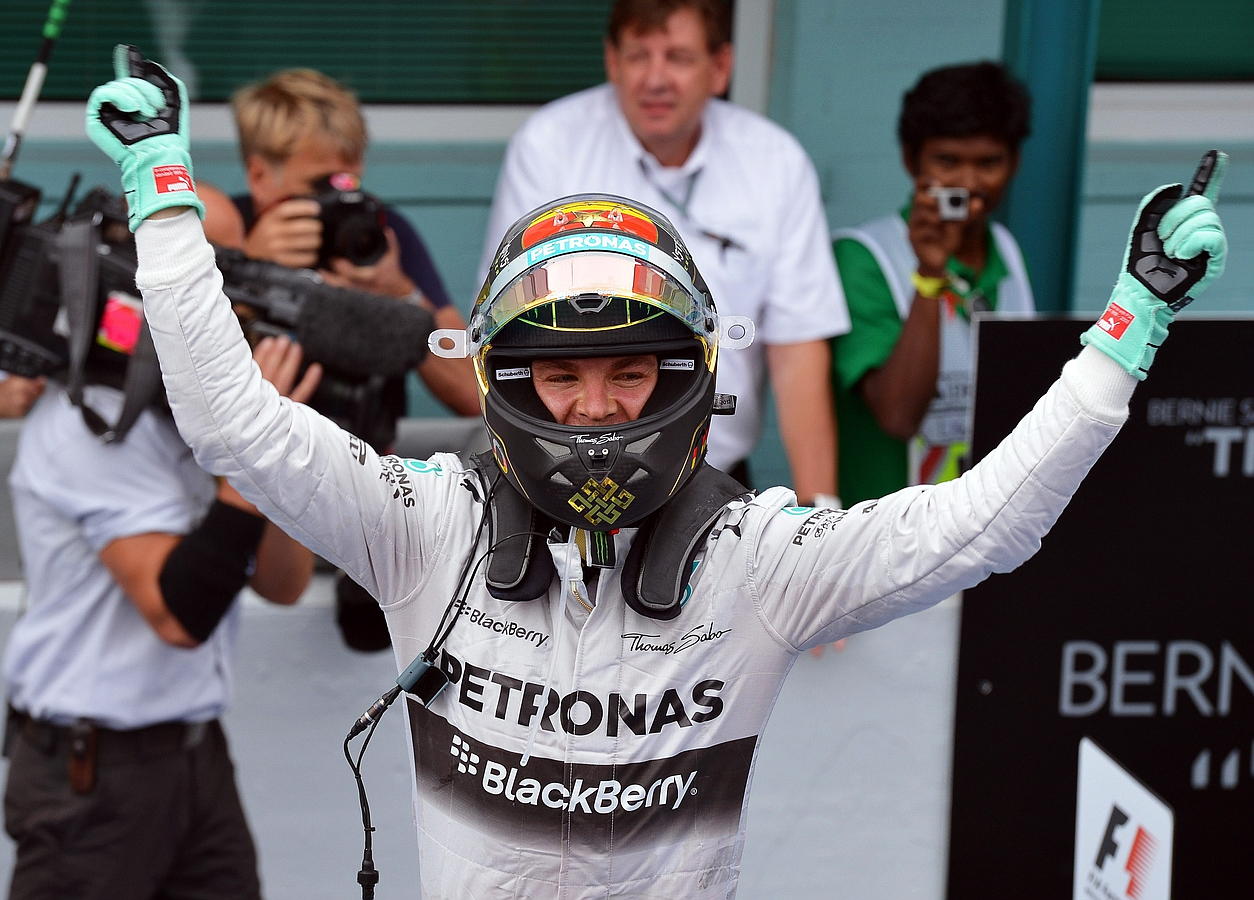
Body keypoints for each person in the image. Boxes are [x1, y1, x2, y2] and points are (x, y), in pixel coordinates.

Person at [86, 47, 1227, 899]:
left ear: (691, 377)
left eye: (630, 371)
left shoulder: (762, 560)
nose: (594, 409)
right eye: (558, 377)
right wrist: (165, 195)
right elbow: (231, 424)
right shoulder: (425, 524)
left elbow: (986, 525)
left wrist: (1127, 331)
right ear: (502, 382)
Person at [480, 0, 846, 505]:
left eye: (678, 57)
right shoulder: (551, 143)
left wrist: (820, 510)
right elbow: (508, 321)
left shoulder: (775, 160)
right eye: (638, 56)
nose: (655, 79)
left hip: (714, 472)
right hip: (561, 471)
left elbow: (797, 348)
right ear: (612, 62)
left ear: (720, 68)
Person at [1, 323, 320, 895]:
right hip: (92, 772)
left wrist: (276, 445)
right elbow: (179, 614)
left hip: (198, 754)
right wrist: (250, 441)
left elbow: (284, 584)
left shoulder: (191, 417)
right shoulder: (86, 422)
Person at [199, 67, 480, 650]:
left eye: (345, 181)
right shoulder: (230, 230)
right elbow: (185, 371)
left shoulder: (377, 232)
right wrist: (252, 269)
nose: (336, 202)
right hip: (255, 494)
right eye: (316, 186)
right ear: (259, 174)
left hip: (367, 473)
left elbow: (473, 390)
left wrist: (397, 292)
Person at [832, 61, 1035, 505]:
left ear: (1014, 162)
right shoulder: (864, 257)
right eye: (947, 161)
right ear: (911, 160)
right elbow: (898, 416)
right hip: (886, 536)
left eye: (988, 163)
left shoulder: (1006, 250)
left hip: (986, 526)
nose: (968, 184)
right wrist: (929, 277)